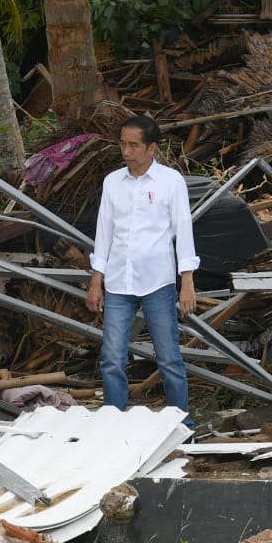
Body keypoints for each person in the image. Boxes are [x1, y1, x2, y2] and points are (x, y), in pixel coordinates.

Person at [85, 115, 199, 425]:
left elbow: (183, 230)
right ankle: (114, 423)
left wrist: (186, 280)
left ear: (152, 148)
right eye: (123, 144)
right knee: (111, 358)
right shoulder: (112, 183)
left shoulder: (170, 181)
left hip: (158, 282)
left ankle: (181, 425)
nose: (126, 151)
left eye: (134, 145)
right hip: (119, 282)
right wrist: (97, 280)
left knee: (169, 359)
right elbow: (104, 233)